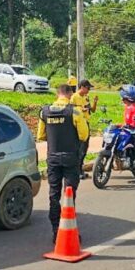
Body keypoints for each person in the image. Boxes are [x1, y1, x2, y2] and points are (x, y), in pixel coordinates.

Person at [37, 84, 90, 241]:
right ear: (69, 94)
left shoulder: (44, 112)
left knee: (54, 194)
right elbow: (83, 136)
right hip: (70, 158)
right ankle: (69, 230)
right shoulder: (75, 111)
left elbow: (40, 136)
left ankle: (55, 232)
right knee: (69, 195)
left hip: (52, 158)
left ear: (57, 94)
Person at [70, 80, 98, 178]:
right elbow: (70, 111)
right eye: (88, 88)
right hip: (78, 125)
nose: (89, 90)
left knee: (85, 148)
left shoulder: (86, 97)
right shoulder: (74, 97)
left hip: (86, 124)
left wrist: (95, 102)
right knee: (79, 148)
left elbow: (92, 110)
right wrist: (82, 110)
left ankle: (80, 169)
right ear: (82, 87)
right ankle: (77, 171)